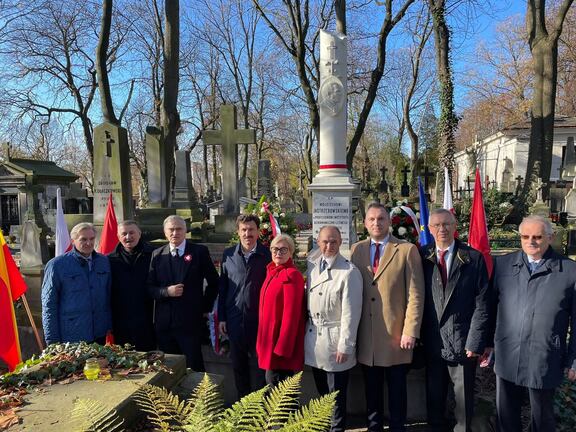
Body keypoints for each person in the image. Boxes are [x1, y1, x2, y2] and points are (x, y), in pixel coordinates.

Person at [491, 215, 576, 432]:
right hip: (508, 351)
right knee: (506, 414)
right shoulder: (503, 264)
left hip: (544, 354)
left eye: (537, 237)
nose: (531, 241)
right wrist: (486, 345)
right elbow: (489, 308)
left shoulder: (569, 271)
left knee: (542, 416)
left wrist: (573, 359)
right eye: (525, 236)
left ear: (550, 237)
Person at [351, 202, 424, 432]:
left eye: (381, 218)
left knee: (396, 391)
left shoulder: (405, 250)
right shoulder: (357, 250)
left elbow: (416, 294)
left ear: (389, 222)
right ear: (365, 223)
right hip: (367, 336)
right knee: (371, 391)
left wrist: (410, 330)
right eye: (371, 219)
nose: (376, 223)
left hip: (396, 337)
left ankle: (397, 427)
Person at [421, 209, 491, 432]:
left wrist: (475, 341)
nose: (442, 229)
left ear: (455, 226)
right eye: (437, 225)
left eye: (446, 224)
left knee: (462, 404)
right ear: (430, 229)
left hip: (463, 342)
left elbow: (483, 304)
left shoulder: (472, 258)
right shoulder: (421, 257)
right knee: (434, 399)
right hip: (432, 341)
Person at [305, 225, 363, 432]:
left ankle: (337, 429)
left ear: (340, 243)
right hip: (314, 340)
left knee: (335, 398)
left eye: (333, 241)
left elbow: (351, 313)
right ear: (318, 242)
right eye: (325, 241)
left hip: (334, 341)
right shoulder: (312, 266)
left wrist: (345, 346)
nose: (329, 246)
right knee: (322, 396)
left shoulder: (349, 272)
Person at [147, 215, 219, 371]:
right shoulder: (158, 255)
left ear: (185, 230)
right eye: (171, 230)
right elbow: (150, 288)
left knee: (195, 367)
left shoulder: (199, 252)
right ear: (165, 232)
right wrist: (166, 291)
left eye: (178, 229)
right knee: (170, 370)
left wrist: (204, 308)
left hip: (190, 323)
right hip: (165, 325)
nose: (175, 233)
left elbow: (214, 283)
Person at [218, 214, 271, 399]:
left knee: (259, 371)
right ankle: (243, 410)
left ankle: (259, 410)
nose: (247, 233)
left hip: (260, 322)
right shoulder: (228, 255)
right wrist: (222, 317)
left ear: (258, 232)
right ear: (238, 232)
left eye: (251, 230)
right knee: (238, 368)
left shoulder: (268, 255)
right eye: (244, 230)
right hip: (234, 321)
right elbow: (223, 288)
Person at [41, 222, 111, 345]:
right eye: (83, 239)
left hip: (99, 333)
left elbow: (109, 295)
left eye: (91, 239)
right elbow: (49, 304)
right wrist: (52, 341)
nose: (88, 243)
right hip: (71, 335)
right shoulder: (56, 265)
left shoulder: (104, 261)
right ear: (73, 240)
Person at [256, 234, 306, 387]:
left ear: (291, 252)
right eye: (275, 249)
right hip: (268, 342)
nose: (278, 253)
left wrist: (283, 347)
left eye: (283, 250)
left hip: (280, 349)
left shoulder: (292, 275)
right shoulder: (272, 271)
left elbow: (292, 314)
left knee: (281, 395)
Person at [108, 220, 156, 351]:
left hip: (148, 318)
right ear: (118, 237)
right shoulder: (109, 260)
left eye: (132, 233)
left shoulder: (155, 254)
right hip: (121, 321)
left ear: (139, 234)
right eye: (124, 234)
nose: (128, 237)